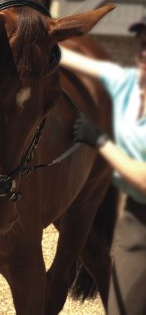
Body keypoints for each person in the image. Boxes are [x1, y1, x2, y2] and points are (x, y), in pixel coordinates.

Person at [60, 18, 146, 315]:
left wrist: (100, 142)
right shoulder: (126, 82)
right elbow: (68, 56)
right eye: (142, 45)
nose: (144, 53)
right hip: (131, 221)